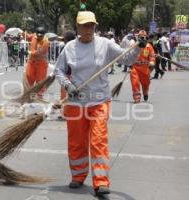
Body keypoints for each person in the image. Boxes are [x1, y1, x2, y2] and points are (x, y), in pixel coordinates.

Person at [54, 11, 144, 196]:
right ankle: (78, 176)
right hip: (75, 103)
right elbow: (59, 71)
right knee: (76, 142)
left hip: (99, 101)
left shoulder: (105, 44)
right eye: (84, 25)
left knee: (98, 140)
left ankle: (101, 182)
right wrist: (68, 86)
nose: (88, 29)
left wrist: (137, 47)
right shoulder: (69, 47)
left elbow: (127, 58)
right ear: (77, 27)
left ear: (95, 26)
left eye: (91, 25)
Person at [130, 30, 155, 103]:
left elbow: (152, 55)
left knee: (146, 83)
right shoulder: (134, 45)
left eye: (143, 37)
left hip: (145, 68)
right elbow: (129, 55)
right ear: (138, 37)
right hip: (135, 67)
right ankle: (137, 97)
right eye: (140, 37)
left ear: (145, 37)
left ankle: (145, 91)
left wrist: (152, 61)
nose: (142, 38)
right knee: (134, 82)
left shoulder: (148, 46)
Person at [24, 26, 49, 99]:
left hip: (41, 64)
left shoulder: (46, 42)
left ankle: (39, 96)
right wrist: (22, 33)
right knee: (29, 77)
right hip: (31, 62)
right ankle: (28, 93)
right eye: (38, 35)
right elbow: (28, 37)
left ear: (44, 35)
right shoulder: (34, 35)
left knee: (40, 80)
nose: (39, 37)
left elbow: (39, 53)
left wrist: (28, 52)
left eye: (41, 36)